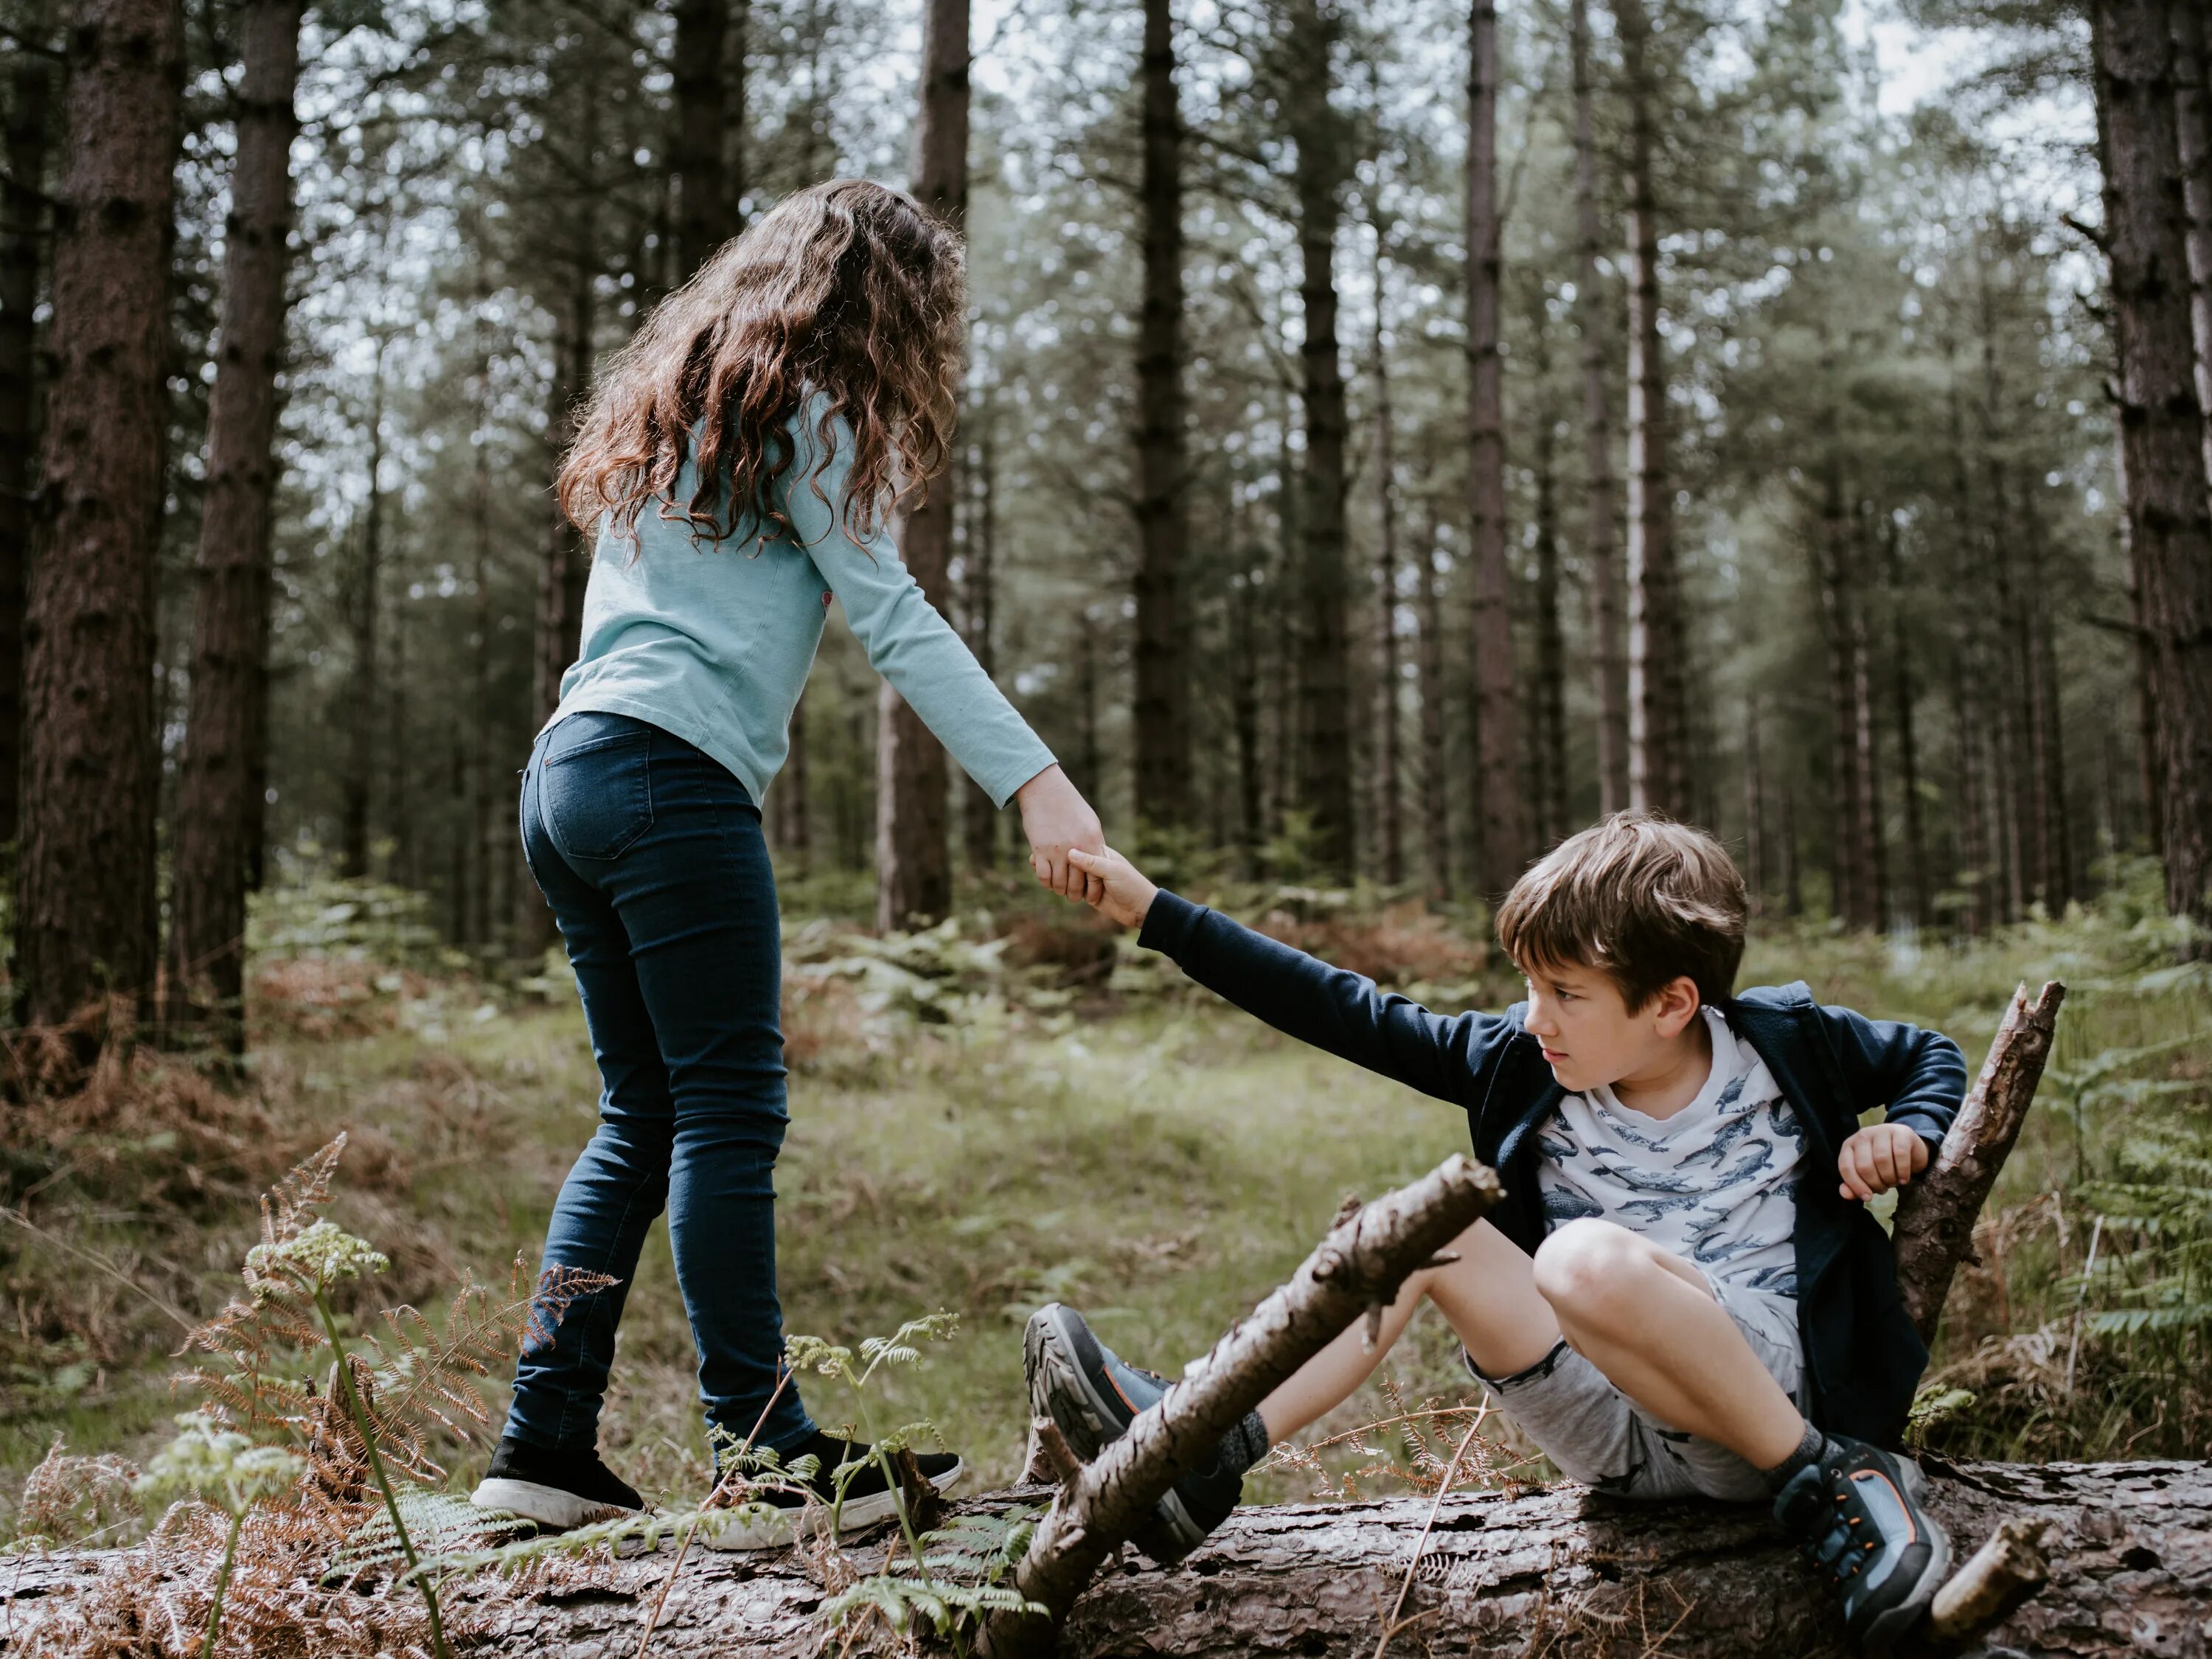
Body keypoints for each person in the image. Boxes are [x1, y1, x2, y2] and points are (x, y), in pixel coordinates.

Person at [470, 179, 1104, 1551]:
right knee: (727, 1114)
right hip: (664, 781)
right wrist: (1041, 789)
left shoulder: (675, 417)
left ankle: (541, 1444)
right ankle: (763, 1456)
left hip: (567, 775)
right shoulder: (810, 412)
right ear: (877, 306)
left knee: (643, 1114)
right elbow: (897, 618)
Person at [1028, 813, 1964, 1654]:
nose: (1533, 1017)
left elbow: (1931, 1055)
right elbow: (1340, 1008)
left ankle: (1834, 1482)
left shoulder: (1785, 1045)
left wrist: (1907, 1130)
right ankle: (1203, 1450)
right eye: (1528, 984)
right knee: (1431, 1230)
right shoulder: (1523, 1065)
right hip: (1611, 1431)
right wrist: (1152, 909)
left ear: (1673, 1004)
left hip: (1759, 1403)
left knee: (1580, 1258)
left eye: (1566, 993)